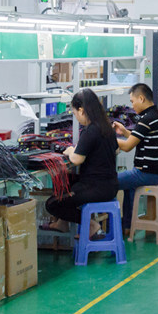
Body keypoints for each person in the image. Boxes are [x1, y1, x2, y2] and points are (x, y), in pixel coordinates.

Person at [44, 89, 119, 237]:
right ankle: (62, 223)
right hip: (110, 185)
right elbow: (116, 150)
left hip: (96, 187)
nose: (76, 117)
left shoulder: (91, 130)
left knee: (52, 204)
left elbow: (77, 159)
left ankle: (92, 225)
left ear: (82, 110)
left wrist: (71, 150)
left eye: (75, 113)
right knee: (64, 181)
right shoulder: (106, 127)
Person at [114, 83, 158, 235]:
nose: (132, 106)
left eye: (132, 101)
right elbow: (140, 138)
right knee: (129, 186)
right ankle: (127, 227)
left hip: (146, 173)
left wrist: (106, 137)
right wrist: (125, 132)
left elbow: (127, 147)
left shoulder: (146, 120)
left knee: (108, 183)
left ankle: (106, 227)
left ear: (141, 98)